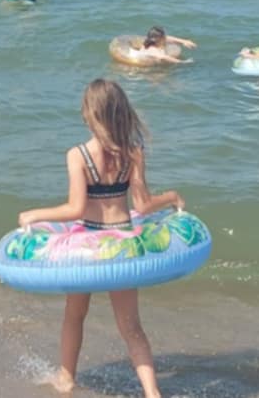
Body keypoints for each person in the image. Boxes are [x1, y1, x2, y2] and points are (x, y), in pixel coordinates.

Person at [16, 79, 185, 398]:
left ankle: (66, 379)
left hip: (87, 247)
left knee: (74, 316)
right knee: (131, 327)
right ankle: (152, 393)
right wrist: (172, 197)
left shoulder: (78, 155)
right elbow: (143, 205)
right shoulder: (133, 152)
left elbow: (75, 208)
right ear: (121, 113)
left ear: (88, 114)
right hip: (121, 245)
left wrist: (34, 215)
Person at [127, 26, 195, 64]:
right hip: (149, 70)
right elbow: (163, 57)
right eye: (164, 36)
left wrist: (183, 41)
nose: (165, 37)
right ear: (160, 39)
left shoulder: (147, 42)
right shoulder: (153, 49)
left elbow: (168, 38)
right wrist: (182, 62)